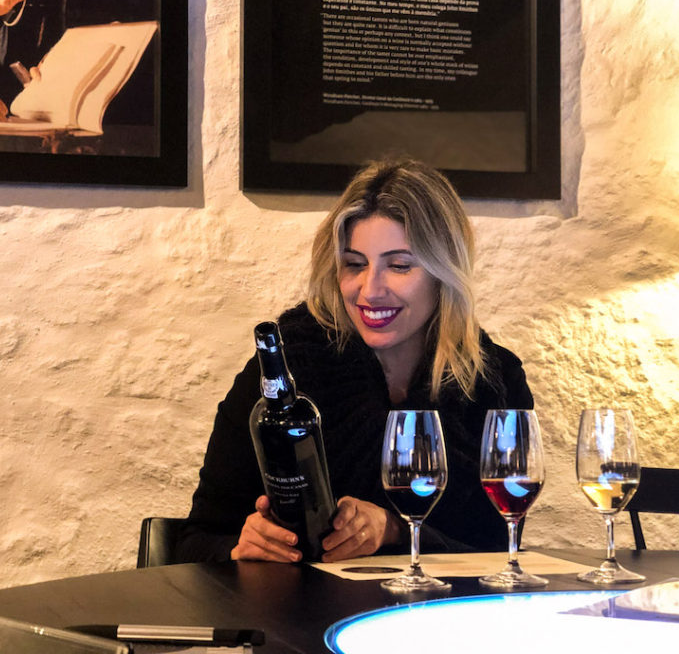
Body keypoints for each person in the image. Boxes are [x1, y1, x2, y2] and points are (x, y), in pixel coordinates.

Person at [177, 158, 534, 563]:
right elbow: (196, 540)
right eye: (354, 264)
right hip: (300, 603)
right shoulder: (286, 369)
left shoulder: (493, 380)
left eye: (399, 266)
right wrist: (242, 547)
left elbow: (503, 546)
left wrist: (394, 529)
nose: (370, 290)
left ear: (443, 273)